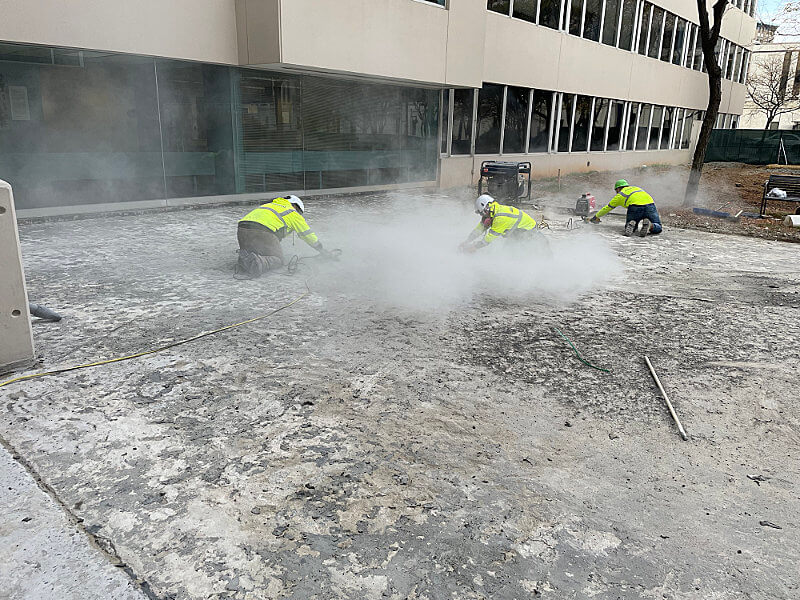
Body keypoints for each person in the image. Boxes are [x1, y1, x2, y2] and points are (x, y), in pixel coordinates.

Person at [236, 195, 326, 277]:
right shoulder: (292, 212)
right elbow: (307, 234)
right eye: (299, 212)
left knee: (262, 252)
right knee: (278, 259)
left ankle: (245, 257)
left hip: (242, 229)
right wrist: (322, 250)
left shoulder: (270, 205)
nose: (299, 214)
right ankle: (257, 262)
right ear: (295, 206)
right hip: (262, 230)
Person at [460, 194, 539, 253]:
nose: (482, 216)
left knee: (510, 251)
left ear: (486, 208)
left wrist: (474, 247)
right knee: (509, 247)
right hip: (520, 230)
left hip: (529, 231)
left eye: (482, 214)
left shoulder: (500, 217)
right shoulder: (493, 211)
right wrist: (467, 241)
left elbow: (488, 239)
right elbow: (480, 228)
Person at [589, 180, 663, 237]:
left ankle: (631, 224)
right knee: (658, 226)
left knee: (631, 227)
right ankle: (651, 226)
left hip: (635, 207)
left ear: (618, 189)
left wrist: (596, 217)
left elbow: (607, 208)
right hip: (650, 205)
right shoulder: (636, 188)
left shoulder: (620, 195)